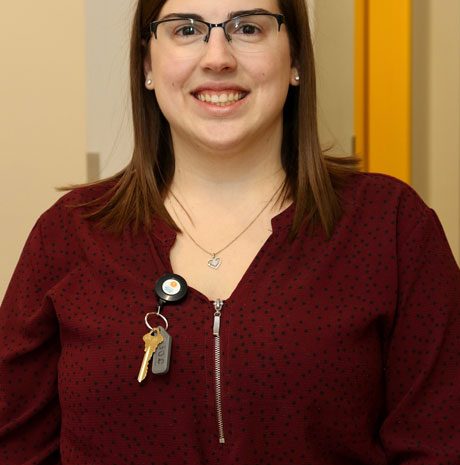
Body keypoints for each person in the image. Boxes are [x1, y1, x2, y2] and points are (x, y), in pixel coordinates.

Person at [1, 0, 459, 463]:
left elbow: (440, 444)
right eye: (185, 30)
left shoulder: (391, 225)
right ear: (147, 66)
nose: (217, 57)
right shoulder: (69, 233)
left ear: (296, 60)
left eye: (249, 28)